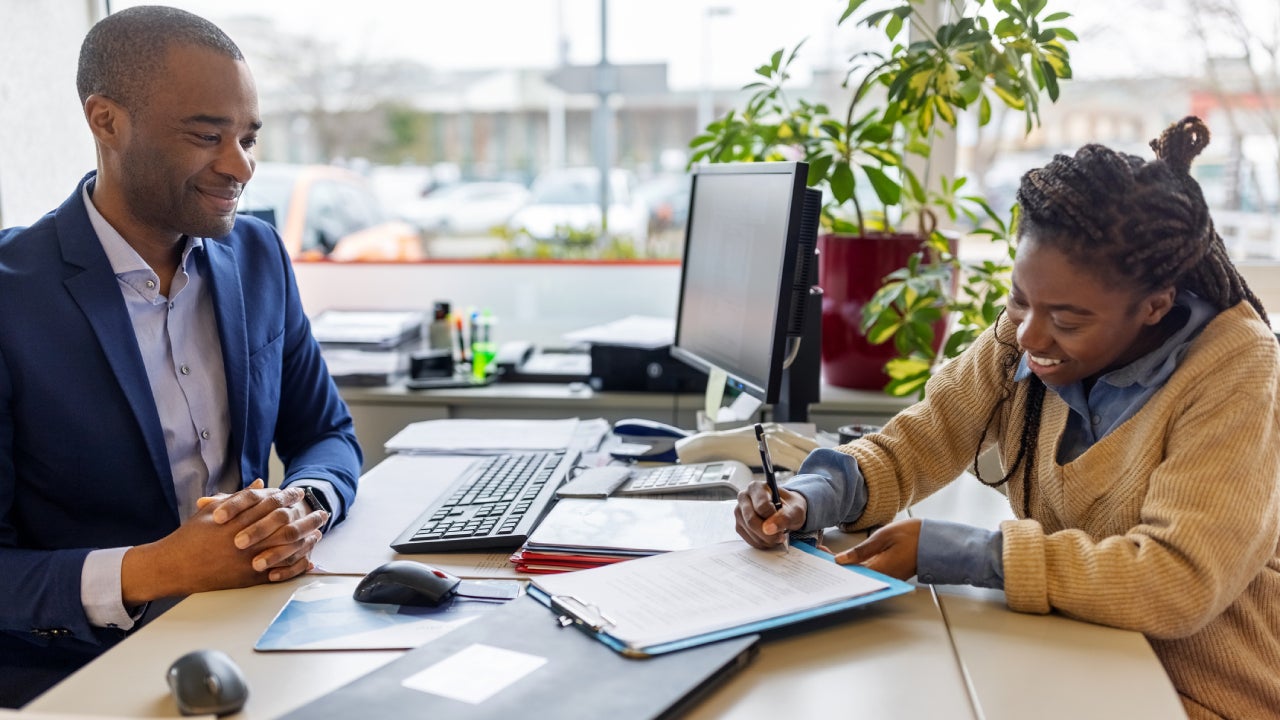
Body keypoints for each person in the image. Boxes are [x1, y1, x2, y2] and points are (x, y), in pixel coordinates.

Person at [736, 117, 1279, 719]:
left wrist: (968, 555)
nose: (1029, 333)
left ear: (1156, 305)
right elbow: (923, 438)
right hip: (1081, 653)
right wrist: (813, 496)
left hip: (1201, 695)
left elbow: (1178, 580)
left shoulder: (1236, 369)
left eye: (1068, 320)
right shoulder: (1029, 332)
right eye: (1020, 297)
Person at [0, 6, 362, 706]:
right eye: (207, 136)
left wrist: (300, 505)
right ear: (106, 121)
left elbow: (326, 435)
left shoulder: (257, 255)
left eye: (248, 136)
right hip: (81, 669)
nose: (240, 165)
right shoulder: (13, 296)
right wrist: (155, 568)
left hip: (256, 625)